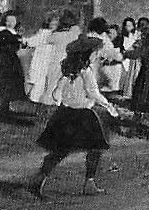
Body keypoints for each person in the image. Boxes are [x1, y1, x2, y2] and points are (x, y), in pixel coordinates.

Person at [27, 35, 118, 198]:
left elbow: (57, 92)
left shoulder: (69, 71)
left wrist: (59, 99)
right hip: (84, 116)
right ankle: (89, 182)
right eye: (95, 52)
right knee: (95, 148)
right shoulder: (87, 72)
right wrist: (108, 105)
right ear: (87, 53)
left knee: (61, 149)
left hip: (65, 114)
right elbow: (93, 93)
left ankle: (39, 178)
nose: (97, 55)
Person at [38, 11, 81, 108]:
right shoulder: (76, 35)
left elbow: (48, 39)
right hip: (70, 64)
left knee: (52, 86)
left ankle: (48, 107)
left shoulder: (58, 35)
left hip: (57, 63)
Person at [0, 11, 25, 114]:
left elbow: (18, 46)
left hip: (12, 60)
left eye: (13, 20)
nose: (10, 23)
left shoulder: (16, 33)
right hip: (4, 60)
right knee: (2, 82)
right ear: (4, 21)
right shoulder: (4, 32)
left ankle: (6, 106)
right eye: (8, 20)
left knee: (11, 83)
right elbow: (6, 45)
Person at [25, 14, 59, 99]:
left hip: (48, 65)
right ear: (48, 23)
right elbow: (30, 42)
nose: (54, 26)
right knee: (38, 88)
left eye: (56, 24)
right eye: (52, 23)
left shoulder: (56, 35)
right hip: (40, 64)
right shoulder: (44, 33)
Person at [116, 17, 139, 99]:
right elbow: (122, 48)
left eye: (130, 25)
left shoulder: (136, 35)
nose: (128, 27)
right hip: (126, 58)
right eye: (127, 26)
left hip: (135, 58)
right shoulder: (122, 37)